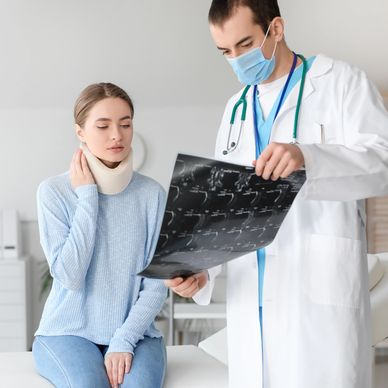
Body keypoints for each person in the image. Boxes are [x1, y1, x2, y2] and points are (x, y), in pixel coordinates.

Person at [165, 1, 388, 387]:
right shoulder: (235, 109)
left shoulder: (340, 82)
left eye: (245, 44)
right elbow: (224, 208)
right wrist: (202, 270)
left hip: (318, 302)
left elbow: (382, 165)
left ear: (277, 29)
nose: (236, 59)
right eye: (225, 52)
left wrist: (309, 157)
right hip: (253, 303)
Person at [32, 83, 167, 388]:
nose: (117, 135)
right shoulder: (53, 192)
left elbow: (157, 286)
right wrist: (88, 197)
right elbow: (69, 275)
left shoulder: (152, 194)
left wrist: (124, 340)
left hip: (136, 333)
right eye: (103, 126)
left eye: (125, 124)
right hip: (67, 331)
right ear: (80, 131)